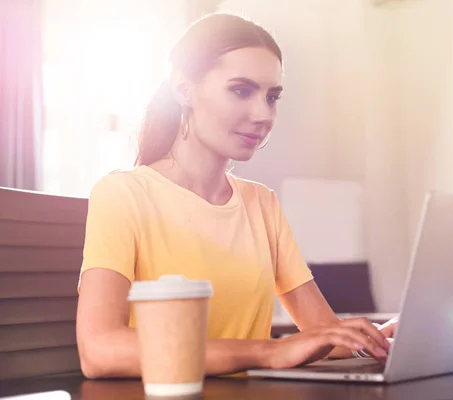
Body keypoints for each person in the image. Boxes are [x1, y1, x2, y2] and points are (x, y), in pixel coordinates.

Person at [76, 12, 397, 379]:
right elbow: (99, 350)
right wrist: (268, 351)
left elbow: (323, 335)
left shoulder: (261, 204)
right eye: (241, 90)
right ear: (185, 89)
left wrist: (380, 338)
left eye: (272, 96)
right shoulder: (123, 194)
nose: (263, 114)